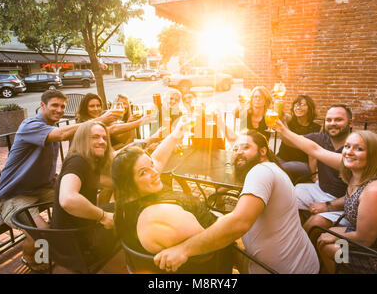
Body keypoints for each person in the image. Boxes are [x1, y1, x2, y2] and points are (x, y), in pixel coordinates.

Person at [154, 130, 320, 274]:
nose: (238, 151)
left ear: (263, 151)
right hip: (300, 263)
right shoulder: (271, 170)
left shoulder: (261, 172)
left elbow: (239, 223)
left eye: (245, 147)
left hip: (280, 270)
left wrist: (183, 250)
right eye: (235, 148)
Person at [0, 90, 120, 272]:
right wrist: (100, 121)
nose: (59, 110)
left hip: (41, 188)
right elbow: (61, 135)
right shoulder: (31, 125)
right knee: (42, 232)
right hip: (14, 194)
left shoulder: (51, 127)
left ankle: (79, 238)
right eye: (54, 105)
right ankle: (34, 259)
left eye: (62, 106)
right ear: (42, 105)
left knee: (80, 193)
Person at [274, 122, 377, 274]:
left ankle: (344, 269)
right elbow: (315, 149)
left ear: (373, 155)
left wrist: (334, 236)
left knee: (327, 245)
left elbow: (364, 240)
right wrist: (282, 129)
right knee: (323, 234)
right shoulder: (354, 168)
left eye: (359, 149)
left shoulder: (376, 191)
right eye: (348, 146)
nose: (349, 152)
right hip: (374, 240)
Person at [111, 116, 219, 258]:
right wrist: (236, 218)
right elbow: (211, 245)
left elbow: (158, 160)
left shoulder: (129, 198)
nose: (155, 172)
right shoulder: (160, 215)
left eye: (151, 165)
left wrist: (176, 134)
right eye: (143, 172)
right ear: (129, 185)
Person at [51, 121, 119, 272]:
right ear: (82, 140)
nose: (101, 142)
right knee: (128, 218)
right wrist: (103, 216)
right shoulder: (78, 162)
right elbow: (68, 199)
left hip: (76, 233)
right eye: (95, 137)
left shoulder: (87, 162)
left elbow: (109, 182)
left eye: (104, 138)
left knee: (121, 208)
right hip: (76, 242)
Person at [279, 104, 353, 236]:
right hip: (319, 189)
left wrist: (328, 206)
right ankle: (290, 235)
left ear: (350, 123)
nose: (332, 123)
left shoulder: (356, 148)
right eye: (329, 120)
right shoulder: (321, 138)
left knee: (315, 224)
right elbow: (290, 141)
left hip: (344, 201)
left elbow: (359, 196)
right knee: (282, 201)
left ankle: (300, 249)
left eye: (338, 120)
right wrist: (281, 122)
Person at [276, 95, 322, 183]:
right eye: (296, 105)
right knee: (267, 165)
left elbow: (312, 155)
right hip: (281, 158)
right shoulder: (289, 121)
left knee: (281, 168)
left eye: (302, 105)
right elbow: (284, 137)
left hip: (302, 164)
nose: (298, 107)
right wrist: (278, 102)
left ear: (310, 107)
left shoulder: (317, 128)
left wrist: (313, 175)